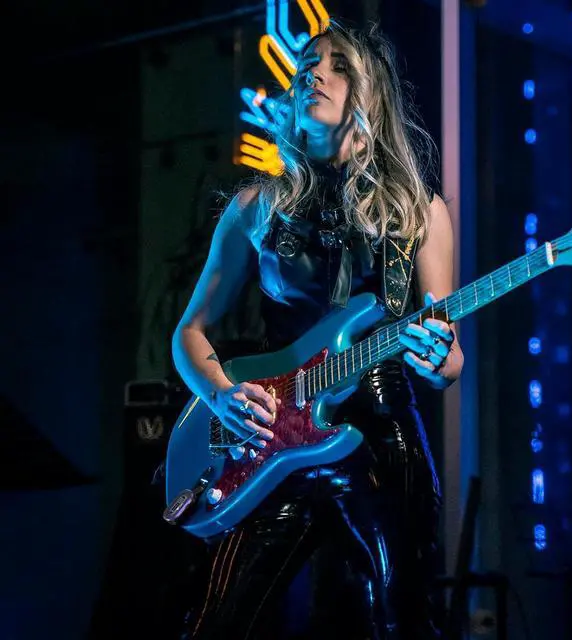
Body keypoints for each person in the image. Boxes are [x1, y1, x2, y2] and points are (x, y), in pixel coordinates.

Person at [171, 19, 464, 640]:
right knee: (218, 623)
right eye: (307, 65)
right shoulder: (257, 206)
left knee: (400, 621)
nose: (314, 75)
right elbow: (190, 331)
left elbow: (449, 359)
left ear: (370, 93)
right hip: (273, 439)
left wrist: (435, 358)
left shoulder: (418, 211)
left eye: (337, 66)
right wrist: (220, 394)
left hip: (380, 439)